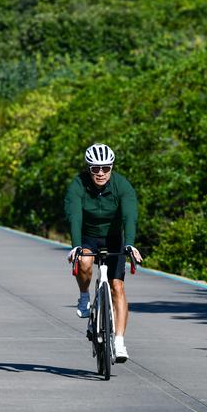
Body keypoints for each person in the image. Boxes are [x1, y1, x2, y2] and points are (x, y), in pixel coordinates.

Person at [64, 143, 142, 362]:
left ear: (112, 167)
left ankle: (119, 342)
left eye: (105, 168)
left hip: (114, 237)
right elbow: (74, 216)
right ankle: (83, 297)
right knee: (86, 263)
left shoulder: (122, 185)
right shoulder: (78, 185)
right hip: (88, 235)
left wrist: (131, 244)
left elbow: (130, 215)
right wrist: (77, 245)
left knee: (118, 287)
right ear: (88, 168)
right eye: (95, 168)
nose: (100, 173)